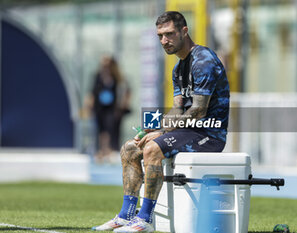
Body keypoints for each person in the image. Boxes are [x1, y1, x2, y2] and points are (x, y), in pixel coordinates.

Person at [92, 11, 230, 232]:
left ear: (184, 31)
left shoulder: (203, 60)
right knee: (129, 148)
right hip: (189, 131)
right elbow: (177, 108)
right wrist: (156, 128)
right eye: (160, 36)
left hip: (208, 134)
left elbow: (199, 111)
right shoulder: (178, 68)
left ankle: (144, 219)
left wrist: (161, 134)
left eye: (169, 34)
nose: (164, 41)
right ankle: (126, 215)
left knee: (153, 148)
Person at [86, 55, 131, 163]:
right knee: (101, 129)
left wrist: (123, 104)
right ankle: (101, 150)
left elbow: (125, 90)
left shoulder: (117, 77)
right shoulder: (98, 76)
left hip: (112, 108)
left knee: (110, 128)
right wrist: (88, 105)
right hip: (99, 107)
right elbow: (92, 91)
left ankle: (110, 150)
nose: (105, 66)